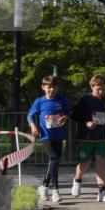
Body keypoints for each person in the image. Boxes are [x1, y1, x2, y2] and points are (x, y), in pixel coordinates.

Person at [27, 75, 72, 203]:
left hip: (58, 135)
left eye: (53, 87)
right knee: (53, 158)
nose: (51, 90)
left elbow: (68, 112)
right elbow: (30, 115)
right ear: (43, 88)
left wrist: (65, 117)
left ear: (56, 88)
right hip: (45, 135)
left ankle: (43, 186)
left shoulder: (61, 99)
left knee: (55, 162)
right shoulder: (39, 101)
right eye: (48, 87)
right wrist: (33, 125)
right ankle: (55, 190)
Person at [71, 74, 105, 203]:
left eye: (103, 89)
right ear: (92, 86)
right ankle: (77, 180)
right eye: (98, 89)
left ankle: (102, 191)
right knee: (85, 163)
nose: (101, 92)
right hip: (86, 138)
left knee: (101, 162)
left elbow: (102, 116)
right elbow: (75, 115)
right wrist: (86, 122)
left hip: (100, 137)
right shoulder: (85, 100)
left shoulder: (103, 101)